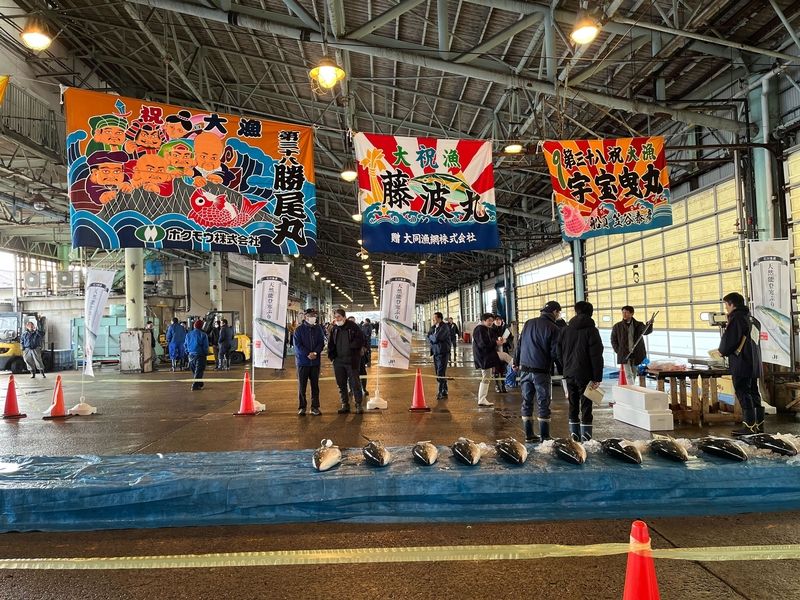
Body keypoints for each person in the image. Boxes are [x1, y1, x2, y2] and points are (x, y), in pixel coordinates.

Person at [513, 301, 562, 442]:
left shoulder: (528, 323)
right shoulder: (554, 328)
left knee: (527, 401)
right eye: (559, 312)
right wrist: (562, 369)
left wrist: (516, 361)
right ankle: (545, 436)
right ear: (555, 312)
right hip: (541, 371)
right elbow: (555, 352)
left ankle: (529, 435)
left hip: (524, 369)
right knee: (543, 402)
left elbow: (519, 344)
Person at [718, 292, 765, 435]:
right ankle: (759, 425)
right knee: (753, 392)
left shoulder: (737, 318)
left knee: (743, 392)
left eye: (726, 305)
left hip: (742, 362)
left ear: (732, 304)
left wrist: (721, 351)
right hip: (754, 362)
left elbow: (731, 340)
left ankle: (748, 426)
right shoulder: (752, 319)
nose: (726, 309)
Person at [558, 301, 604, 442]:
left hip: (569, 373)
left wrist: (565, 367)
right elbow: (596, 355)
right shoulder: (592, 331)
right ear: (591, 313)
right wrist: (597, 377)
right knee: (586, 406)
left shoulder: (565, 330)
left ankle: (575, 438)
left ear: (576, 311)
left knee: (572, 405)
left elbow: (558, 352)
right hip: (586, 374)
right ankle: (586, 439)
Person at [328, 309, 366, 414]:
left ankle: (358, 404)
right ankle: (345, 404)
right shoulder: (334, 329)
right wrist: (332, 356)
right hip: (338, 361)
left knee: (355, 384)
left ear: (344, 317)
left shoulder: (353, 327)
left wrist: (351, 347)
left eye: (339, 317)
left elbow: (361, 340)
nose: (337, 319)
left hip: (351, 361)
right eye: (336, 317)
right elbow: (330, 343)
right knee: (341, 384)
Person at [293, 308, 325, 416]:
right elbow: (297, 345)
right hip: (302, 362)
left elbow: (321, 342)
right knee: (302, 386)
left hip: (315, 362)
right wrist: (308, 353)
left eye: (314, 316)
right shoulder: (299, 330)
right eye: (311, 315)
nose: (313, 317)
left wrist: (315, 353)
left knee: (315, 386)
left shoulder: (318, 329)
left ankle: (315, 407)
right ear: (305, 317)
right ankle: (302, 407)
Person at [610, 305, 653, 382]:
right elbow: (613, 340)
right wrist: (618, 350)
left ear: (632, 313)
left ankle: (631, 387)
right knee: (628, 374)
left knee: (634, 372)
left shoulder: (638, 325)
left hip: (636, 353)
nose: (624, 314)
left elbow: (646, 331)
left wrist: (649, 324)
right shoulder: (617, 326)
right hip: (624, 353)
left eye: (626, 312)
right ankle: (631, 387)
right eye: (623, 312)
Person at [472, 313, 503, 407]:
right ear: (483, 320)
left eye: (492, 321)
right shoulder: (480, 329)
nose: (491, 322)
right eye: (489, 320)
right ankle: (482, 399)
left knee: (487, 377)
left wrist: (497, 340)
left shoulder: (486, 329)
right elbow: (483, 344)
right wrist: (496, 343)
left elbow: (491, 339)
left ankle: (482, 399)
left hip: (486, 357)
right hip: (484, 357)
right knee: (486, 377)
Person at [428, 312, 451, 400]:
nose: (433, 320)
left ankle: (440, 391)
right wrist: (432, 337)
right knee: (438, 372)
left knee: (440, 373)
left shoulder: (444, 327)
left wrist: (432, 337)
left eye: (435, 318)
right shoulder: (433, 327)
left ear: (440, 318)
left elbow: (437, 338)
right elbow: (428, 336)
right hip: (435, 352)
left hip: (443, 352)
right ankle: (445, 390)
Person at [185, 320, 210, 391]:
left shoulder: (188, 334)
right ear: (201, 326)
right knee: (199, 371)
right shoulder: (203, 335)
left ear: (194, 326)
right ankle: (194, 385)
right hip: (200, 355)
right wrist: (206, 353)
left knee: (195, 371)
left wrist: (187, 352)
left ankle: (199, 383)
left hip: (191, 355)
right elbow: (205, 346)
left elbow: (185, 345)